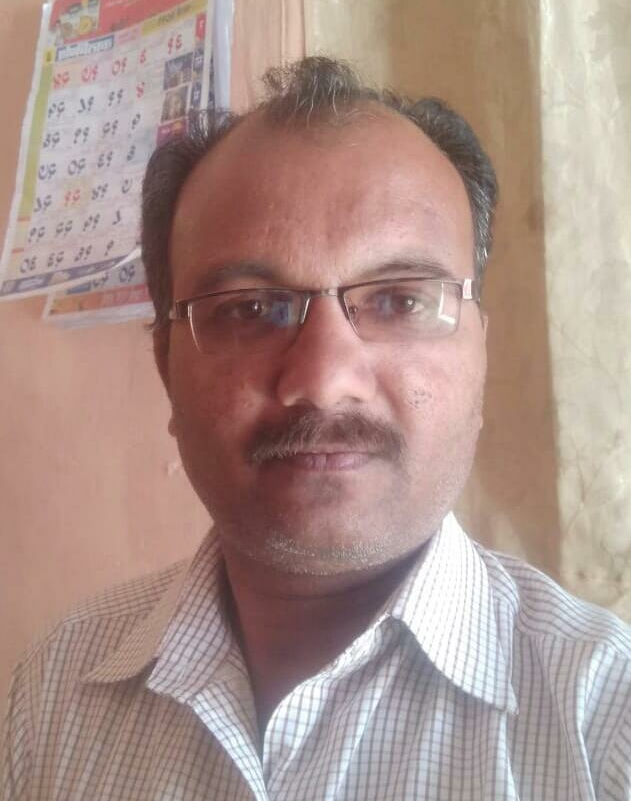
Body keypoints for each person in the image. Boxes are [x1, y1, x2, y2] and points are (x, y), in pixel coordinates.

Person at [3, 57, 630, 801]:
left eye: (399, 300)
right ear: (167, 367)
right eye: (249, 308)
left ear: (479, 356)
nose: (324, 379)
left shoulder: (605, 726)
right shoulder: (53, 692)